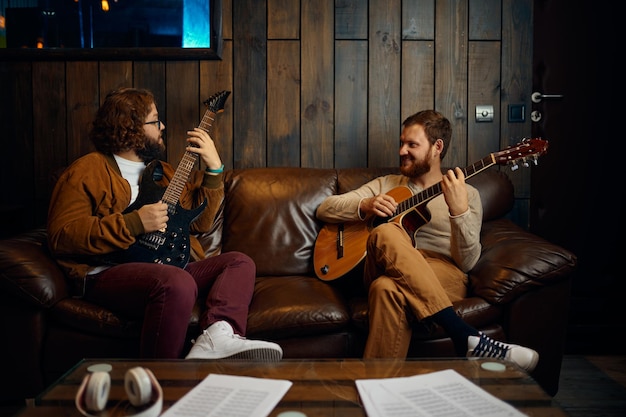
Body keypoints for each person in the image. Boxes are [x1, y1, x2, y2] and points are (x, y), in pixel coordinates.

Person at [47, 87, 282, 361]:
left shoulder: (164, 171)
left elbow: (201, 223)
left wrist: (214, 168)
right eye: (155, 120)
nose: (163, 126)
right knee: (176, 282)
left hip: (167, 267)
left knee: (239, 262)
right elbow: (62, 236)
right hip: (106, 272)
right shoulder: (87, 169)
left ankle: (218, 334)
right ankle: (162, 378)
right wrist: (133, 223)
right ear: (131, 126)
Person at [315, 109, 539, 371]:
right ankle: (464, 335)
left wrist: (459, 211)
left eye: (412, 144)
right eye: (401, 143)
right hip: (383, 263)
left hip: (442, 274)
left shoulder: (467, 194)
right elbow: (325, 208)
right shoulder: (387, 184)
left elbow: (466, 263)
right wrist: (365, 204)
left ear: (437, 147)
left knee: (385, 289)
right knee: (385, 232)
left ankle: (378, 397)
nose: (401, 151)